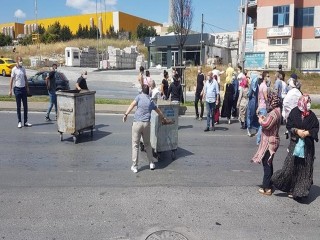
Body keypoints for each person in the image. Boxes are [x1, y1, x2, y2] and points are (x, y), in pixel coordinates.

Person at [272, 95, 319, 200]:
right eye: (307, 102)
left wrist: (308, 132)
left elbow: (316, 128)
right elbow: (289, 125)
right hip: (295, 144)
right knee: (291, 167)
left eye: (309, 102)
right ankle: (289, 187)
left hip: (307, 147)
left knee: (304, 169)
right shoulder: (294, 112)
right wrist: (297, 131)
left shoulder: (312, 116)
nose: (309, 104)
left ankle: (300, 192)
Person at [123, 85, 170, 173]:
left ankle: (135, 166)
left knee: (135, 145)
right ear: (148, 92)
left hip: (137, 123)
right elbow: (158, 111)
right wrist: (163, 118)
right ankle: (151, 163)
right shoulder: (150, 101)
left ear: (142, 91)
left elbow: (132, 105)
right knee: (147, 144)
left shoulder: (139, 97)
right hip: (146, 124)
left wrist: (126, 114)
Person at [252, 91, 282, 196]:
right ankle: (269, 183)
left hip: (270, 141)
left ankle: (267, 188)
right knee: (269, 162)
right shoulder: (276, 110)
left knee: (267, 163)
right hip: (272, 140)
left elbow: (267, 124)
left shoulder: (274, 112)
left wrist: (261, 120)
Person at [8, 56, 32, 128]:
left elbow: (25, 78)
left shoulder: (23, 69)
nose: (21, 62)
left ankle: (25, 122)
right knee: (18, 106)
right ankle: (19, 122)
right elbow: (11, 80)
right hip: (17, 89)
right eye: (20, 60)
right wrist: (10, 90)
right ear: (17, 61)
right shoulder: (14, 69)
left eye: (22, 60)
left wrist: (27, 87)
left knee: (25, 106)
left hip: (23, 89)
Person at [256, 71, 270, 145]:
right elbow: (266, 98)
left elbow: (259, 97)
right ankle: (259, 140)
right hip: (264, 106)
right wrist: (269, 105)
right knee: (263, 125)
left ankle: (260, 140)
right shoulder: (264, 86)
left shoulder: (261, 85)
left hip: (261, 106)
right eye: (268, 76)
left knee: (261, 124)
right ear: (264, 77)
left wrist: (258, 107)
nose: (269, 78)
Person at [246, 72, 260, 137]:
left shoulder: (252, 85)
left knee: (249, 115)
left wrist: (247, 94)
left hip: (252, 101)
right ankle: (256, 129)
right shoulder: (257, 85)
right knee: (255, 115)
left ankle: (249, 129)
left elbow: (249, 94)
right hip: (256, 102)